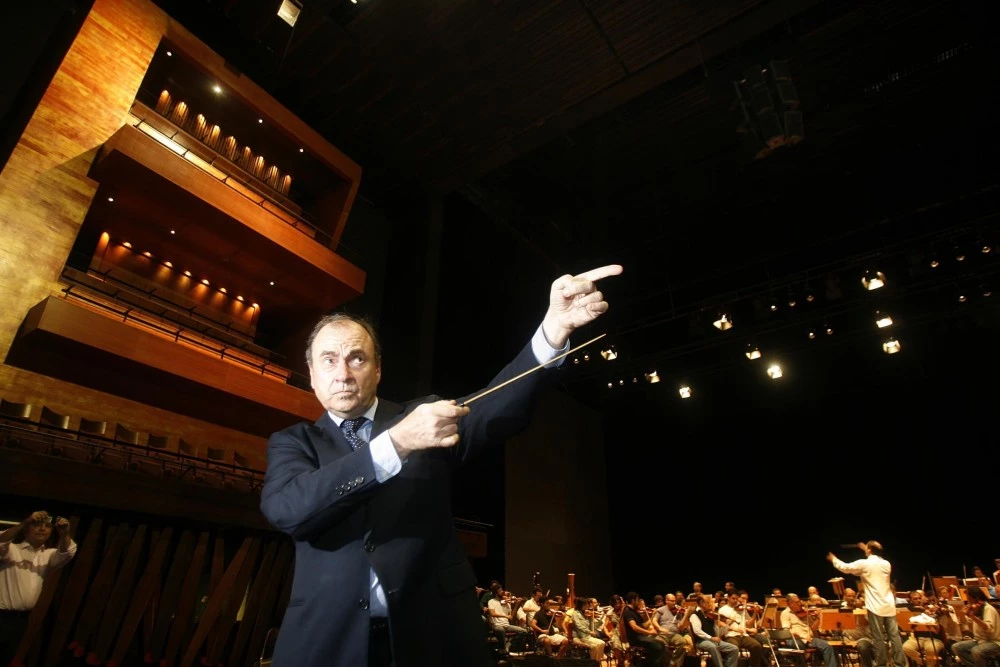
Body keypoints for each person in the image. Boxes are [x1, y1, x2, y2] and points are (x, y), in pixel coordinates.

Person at [259, 264, 622, 667]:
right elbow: (287, 509)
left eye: (356, 358)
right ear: (311, 374)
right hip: (327, 642)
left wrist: (552, 332)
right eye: (328, 360)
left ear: (378, 370)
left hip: (433, 636)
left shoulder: (423, 415)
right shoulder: (294, 442)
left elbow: (494, 408)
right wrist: (395, 443)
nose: (343, 374)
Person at [0, 511, 76, 666]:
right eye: (37, 525)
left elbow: (67, 552)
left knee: (6, 658)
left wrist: (64, 534)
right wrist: (25, 521)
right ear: (27, 529)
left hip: (22, 619)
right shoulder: (11, 549)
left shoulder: (48, 555)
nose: (42, 528)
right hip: (1, 616)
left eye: (47, 526)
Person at [828, 541, 905, 667]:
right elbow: (869, 567)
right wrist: (867, 549)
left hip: (875, 606)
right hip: (889, 605)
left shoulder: (865, 563)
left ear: (869, 550)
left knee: (878, 637)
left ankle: (881, 664)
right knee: (894, 636)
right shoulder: (886, 564)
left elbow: (846, 568)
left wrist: (834, 559)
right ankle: (900, 664)